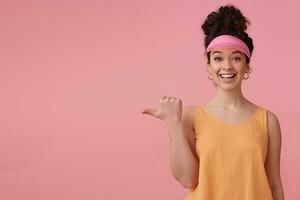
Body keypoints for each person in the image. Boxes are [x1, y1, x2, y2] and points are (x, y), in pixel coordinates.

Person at [141, 4, 284, 200]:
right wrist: (173, 123)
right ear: (208, 67)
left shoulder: (268, 121)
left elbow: (274, 185)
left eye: (236, 58)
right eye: (218, 58)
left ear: (247, 66)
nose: (226, 66)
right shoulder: (190, 116)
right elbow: (187, 180)